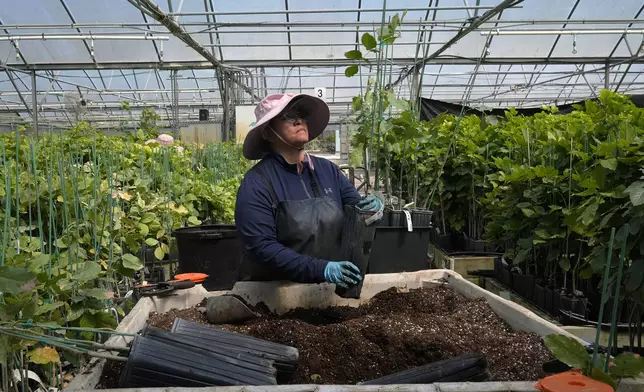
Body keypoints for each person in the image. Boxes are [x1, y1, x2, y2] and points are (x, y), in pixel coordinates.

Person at [235, 93, 382, 288]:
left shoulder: (328, 170)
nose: (298, 121)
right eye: (287, 116)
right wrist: (321, 269)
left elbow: (357, 210)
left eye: (302, 115)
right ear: (268, 132)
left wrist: (374, 207)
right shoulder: (257, 183)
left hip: (327, 290)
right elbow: (262, 248)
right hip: (273, 295)